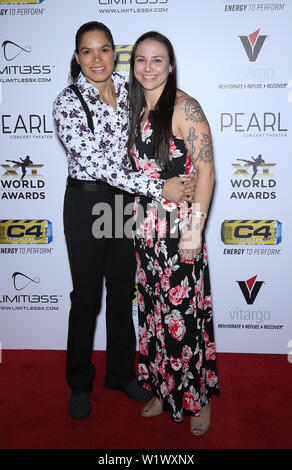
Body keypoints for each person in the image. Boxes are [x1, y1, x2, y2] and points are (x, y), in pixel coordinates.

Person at [52, 21, 195, 420]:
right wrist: (157, 186)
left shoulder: (131, 88)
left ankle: (119, 373)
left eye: (103, 50)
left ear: (115, 53)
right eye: (87, 51)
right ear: (77, 56)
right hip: (86, 202)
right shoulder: (67, 103)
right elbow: (98, 166)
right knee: (86, 298)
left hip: (123, 203)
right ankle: (80, 383)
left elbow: (159, 125)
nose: (96, 59)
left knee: (121, 291)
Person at [127, 31, 219, 436]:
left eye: (157, 60)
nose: (148, 68)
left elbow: (207, 172)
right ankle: (163, 389)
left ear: (170, 64)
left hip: (180, 232)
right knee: (153, 318)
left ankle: (197, 398)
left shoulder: (186, 107)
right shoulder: (133, 110)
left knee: (184, 319)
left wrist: (195, 232)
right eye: (141, 60)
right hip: (144, 234)